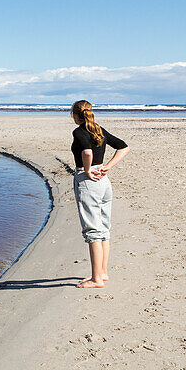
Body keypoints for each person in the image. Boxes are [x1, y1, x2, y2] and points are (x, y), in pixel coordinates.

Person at [70, 100, 130, 288]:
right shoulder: (98, 129)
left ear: (75, 114)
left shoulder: (79, 131)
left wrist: (87, 170)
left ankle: (96, 279)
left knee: (93, 230)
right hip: (104, 181)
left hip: (89, 181)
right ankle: (102, 273)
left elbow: (87, 152)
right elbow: (123, 147)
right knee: (103, 228)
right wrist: (107, 167)